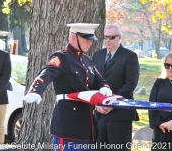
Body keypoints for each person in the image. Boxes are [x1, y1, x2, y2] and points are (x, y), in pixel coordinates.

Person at [23, 23, 112, 151]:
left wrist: (105, 87)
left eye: (91, 39)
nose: (90, 43)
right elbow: (47, 72)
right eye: (87, 39)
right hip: (68, 125)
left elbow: (99, 79)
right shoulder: (61, 57)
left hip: (87, 127)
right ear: (74, 37)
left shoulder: (87, 60)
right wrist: (36, 90)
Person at [92, 24, 139, 151]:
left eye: (111, 37)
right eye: (105, 37)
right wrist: (97, 104)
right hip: (100, 114)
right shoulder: (97, 56)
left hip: (120, 115)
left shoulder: (130, 56)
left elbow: (130, 84)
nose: (108, 40)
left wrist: (112, 103)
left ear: (119, 37)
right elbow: (92, 82)